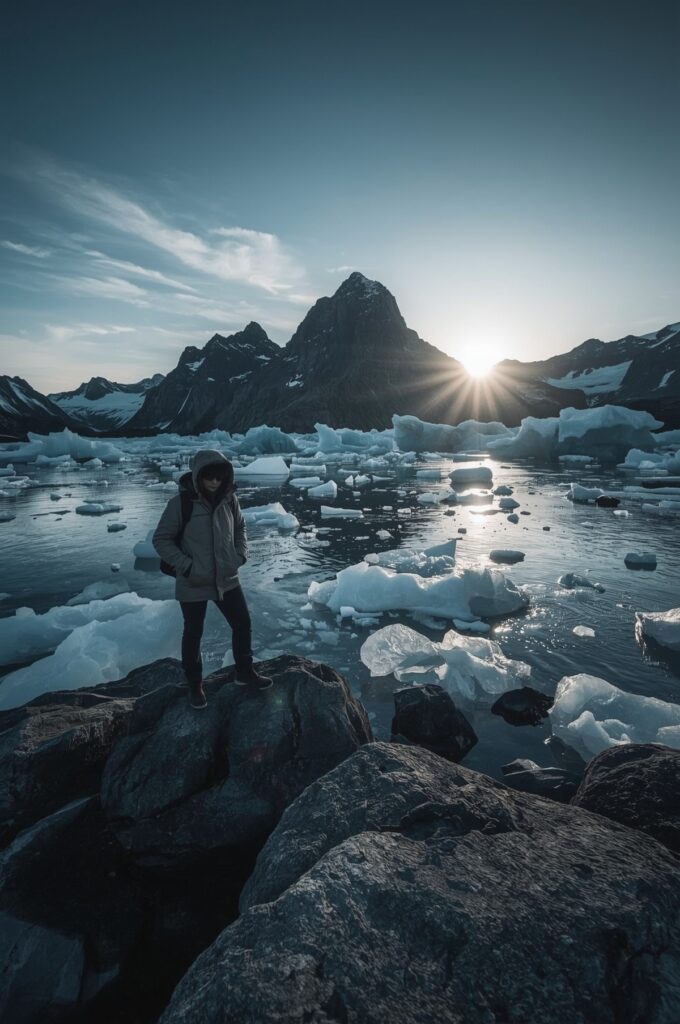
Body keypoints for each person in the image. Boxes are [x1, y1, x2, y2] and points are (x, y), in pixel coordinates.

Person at [152, 448, 273, 708]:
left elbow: (240, 527)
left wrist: (240, 555)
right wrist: (187, 566)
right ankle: (194, 685)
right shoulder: (181, 504)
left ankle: (244, 673)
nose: (214, 483)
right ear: (198, 476)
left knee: (242, 622)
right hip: (193, 580)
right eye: (209, 477)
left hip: (227, 576)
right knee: (193, 632)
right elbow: (161, 540)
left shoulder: (229, 500)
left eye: (219, 478)